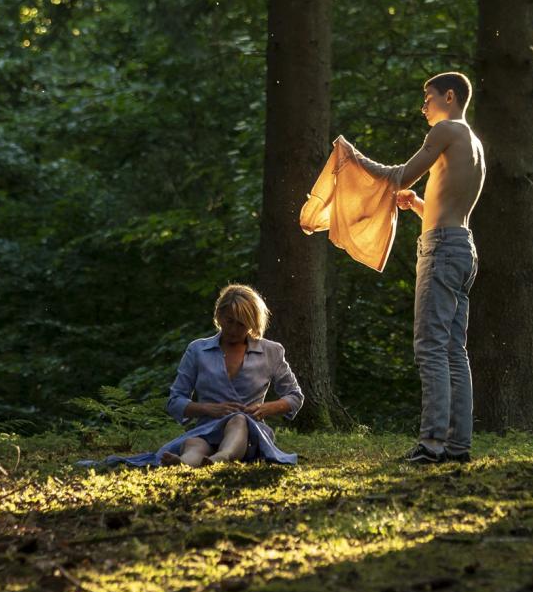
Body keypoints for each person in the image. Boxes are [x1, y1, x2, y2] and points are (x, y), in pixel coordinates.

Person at [336, 72, 485, 464]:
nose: (423, 107)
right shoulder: (473, 142)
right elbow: (447, 208)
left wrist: (352, 157)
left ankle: (432, 444)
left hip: (442, 250)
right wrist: (418, 204)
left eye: (427, 97)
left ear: (449, 96)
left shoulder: (445, 130)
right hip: (463, 247)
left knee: (430, 347)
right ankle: (457, 447)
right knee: (453, 350)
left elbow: (398, 175)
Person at [79, 284, 304, 469]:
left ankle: (221, 458)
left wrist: (267, 408)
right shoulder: (198, 350)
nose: (234, 329)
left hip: (249, 434)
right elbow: (175, 401)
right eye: (229, 321)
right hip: (206, 429)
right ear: (219, 316)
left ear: (252, 323)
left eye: (242, 324)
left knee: (238, 420)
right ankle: (185, 464)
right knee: (195, 443)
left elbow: (294, 396)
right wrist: (207, 409)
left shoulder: (271, 351)